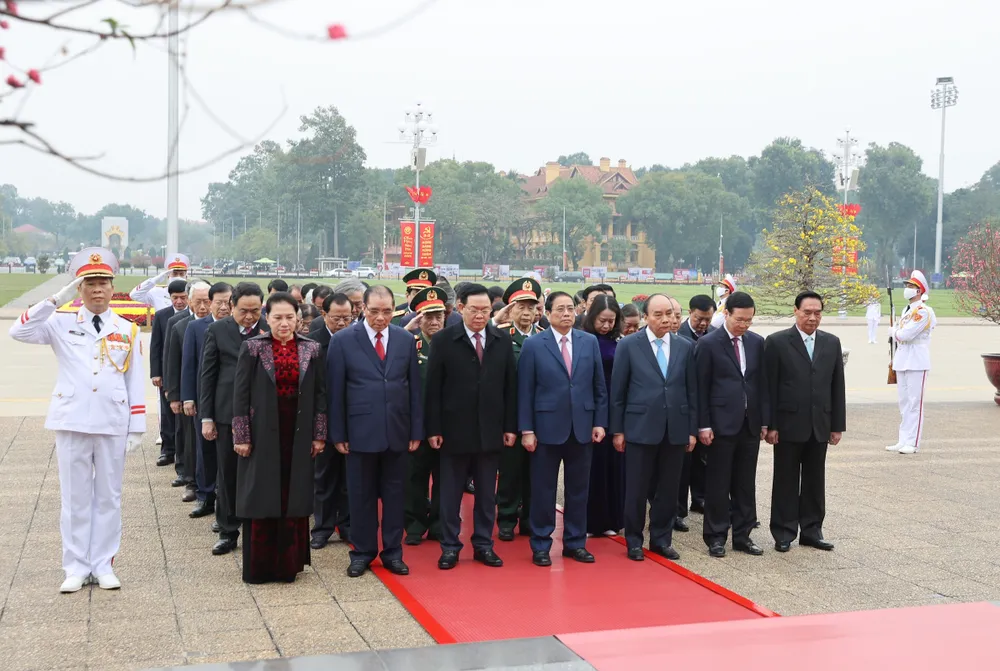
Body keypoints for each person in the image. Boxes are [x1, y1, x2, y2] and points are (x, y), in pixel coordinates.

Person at [9, 248, 144, 592]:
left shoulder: (126, 329)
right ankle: (75, 566)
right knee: (75, 497)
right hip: (71, 419)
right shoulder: (59, 322)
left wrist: (137, 425)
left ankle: (103, 564)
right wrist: (56, 299)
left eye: (103, 283)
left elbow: (134, 380)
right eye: (89, 284)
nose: (98, 290)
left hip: (112, 421)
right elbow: (18, 332)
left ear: (113, 288)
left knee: (109, 497)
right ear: (79, 289)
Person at [328, 285, 422, 578]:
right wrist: (338, 434)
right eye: (374, 311)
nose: (381, 318)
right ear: (363, 309)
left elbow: (414, 389)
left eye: (386, 311)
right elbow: (335, 392)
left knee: (395, 496)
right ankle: (363, 552)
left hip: (397, 430)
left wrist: (416, 430)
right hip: (359, 432)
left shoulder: (405, 339)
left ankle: (393, 552)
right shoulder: (344, 341)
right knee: (361, 495)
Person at [232, 292, 326, 583]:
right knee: (262, 496)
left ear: (298, 318)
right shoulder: (253, 348)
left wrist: (319, 435)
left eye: (289, 317)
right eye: (277, 317)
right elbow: (240, 394)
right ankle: (260, 567)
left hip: (297, 435)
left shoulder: (312, 348)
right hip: (261, 435)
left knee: (292, 496)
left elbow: (321, 395)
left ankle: (288, 566)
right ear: (267, 318)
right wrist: (242, 436)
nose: (284, 323)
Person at [425, 284, 517, 569]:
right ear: (461, 308)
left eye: (485, 310)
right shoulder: (443, 340)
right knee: (450, 495)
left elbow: (510, 388)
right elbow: (433, 390)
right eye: (474, 309)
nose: (480, 315)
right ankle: (450, 546)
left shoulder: (501, 339)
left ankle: (483, 545)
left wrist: (510, 426)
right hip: (453, 431)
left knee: (487, 495)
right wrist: (433, 429)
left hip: (490, 430)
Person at [518, 291, 608, 567]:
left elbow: (598, 387)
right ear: (547, 312)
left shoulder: (588, 341)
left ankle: (575, 542)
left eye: (571, 308)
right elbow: (525, 391)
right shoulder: (534, 344)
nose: (567, 314)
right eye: (560, 309)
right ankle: (541, 544)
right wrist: (526, 430)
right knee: (543, 490)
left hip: (581, 426)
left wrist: (599, 422)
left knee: (578, 490)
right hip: (545, 428)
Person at [610, 294, 697, 562]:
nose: (666, 319)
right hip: (639, 427)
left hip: (675, 428)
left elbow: (692, 391)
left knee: (669, 489)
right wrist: (618, 430)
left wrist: (691, 429)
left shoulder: (685, 346)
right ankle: (634, 540)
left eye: (670, 314)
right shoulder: (628, 346)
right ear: (645, 316)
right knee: (636, 488)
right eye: (658, 315)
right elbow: (618, 392)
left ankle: (661, 539)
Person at [763, 290, 846, 553]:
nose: (812, 317)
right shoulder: (776, 342)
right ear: (796, 311)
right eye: (807, 312)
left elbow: (837, 387)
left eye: (817, 313)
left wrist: (837, 425)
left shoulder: (831, 343)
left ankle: (812, 530)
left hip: (819, 423)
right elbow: (770, 386)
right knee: (786, 480)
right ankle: (784, 532)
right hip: (787, 425)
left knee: (814, 480)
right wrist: (771, 424)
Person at [694, 291, 769, 558]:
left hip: (749, 425)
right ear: (726, 314)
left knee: (745, 483)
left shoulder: (756, 343)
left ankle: (743, 535)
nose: (745, 325)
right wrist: (703, 425)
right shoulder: (708, 344)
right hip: (719, 426)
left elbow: (761, 385)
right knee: (718, 483)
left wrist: (764, 421)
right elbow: (700, 389)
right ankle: (716, 537)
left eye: (749, 320)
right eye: (740, 319)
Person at [200, 282, 268, 556]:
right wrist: (207, 417)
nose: (250, 317)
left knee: (258, 475)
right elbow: (208, 376)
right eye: (244, 311)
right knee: (227, 474)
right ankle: (228, 531)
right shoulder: (218, 330)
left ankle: (258, 529)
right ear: (231, 307)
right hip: (227, 413)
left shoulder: (270, 327)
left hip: (263, 415)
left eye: (255, 310)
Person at [494, 278, 544, 541]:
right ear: (510, 309)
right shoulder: (501, 336)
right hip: (511, 415)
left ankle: (529, 518)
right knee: (510, 471)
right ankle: (506, 517)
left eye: (531, 307)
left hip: (540, 417)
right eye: (520, 307)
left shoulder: (544, 337)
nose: (526, 313)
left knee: (536, 472)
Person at [181, 281, 232, 519]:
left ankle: (227, 498)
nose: (224, 307)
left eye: (228, 302)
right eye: (219, 302)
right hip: (204, 399)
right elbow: (189, 365)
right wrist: (188, 397)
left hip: (232, 402)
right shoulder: (196, 327)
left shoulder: (242, 327)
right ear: (210, 303)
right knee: (205, 450)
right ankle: (206, 496)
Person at [309, 293, 354, 549]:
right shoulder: (313, 343)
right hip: (322, 419)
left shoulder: (357, 340)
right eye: (336, 317)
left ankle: (347, 525)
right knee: (324, 477)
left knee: (350, 476)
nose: (342, 323)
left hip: (351, 418)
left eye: (347, 317)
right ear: (324, 314)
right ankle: (323, 527)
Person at [403, 287, 447, 546]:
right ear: (419, 319)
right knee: (414, 478)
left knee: (445, 478)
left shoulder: (453, 345)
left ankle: (440, 524)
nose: (433, 322)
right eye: (428, 317)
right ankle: (415, 524)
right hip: (416, 424)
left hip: (446, 425)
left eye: (438, 316)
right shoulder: (410, 345)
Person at [582, 294, 625, 537]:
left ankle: (612, 519)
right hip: (592, 406)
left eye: (611, 321)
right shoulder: (584, 340)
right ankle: (591, 521)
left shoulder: (619, 341)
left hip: (615, 406)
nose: (607, 325)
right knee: (593, 466)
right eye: (602, 320)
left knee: (614, 464)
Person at [166, 282, 211, 504]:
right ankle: (192, 481)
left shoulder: (219, 325)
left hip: (210, 393)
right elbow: (173, 363)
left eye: (207, 301)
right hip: (189, 393)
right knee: (190, 439)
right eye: (198, 302)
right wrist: (175, 395)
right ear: (190, 302)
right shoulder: (179, 325)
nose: (203, 306)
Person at [676, 293, 717, 526]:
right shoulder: (678, 336)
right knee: (684, 463)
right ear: (690, 313)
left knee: (704, 459)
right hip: (686, 403)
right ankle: (679, 510)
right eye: (699, 318)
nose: (703, 323)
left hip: (708, 406)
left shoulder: (713, 336)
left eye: (708, 319)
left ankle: (699, 498)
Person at [888, 271, 937, 455]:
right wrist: (897, 333)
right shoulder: (906, 310)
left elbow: (905, 334)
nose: (907, 289)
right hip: (903, 358)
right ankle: (903, 439)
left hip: (917, 359)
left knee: (915, 403)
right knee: (904, 402)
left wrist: (894, 332)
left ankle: (913, 442)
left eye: (910, 286)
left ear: (919, 291)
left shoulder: (923, 311)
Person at [149, 279, 188, 466]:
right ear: (169, 298)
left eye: (183, 297)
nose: (179, 302)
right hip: (166, 373)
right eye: (175, 298)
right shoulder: (161, 316)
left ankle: (183, 452)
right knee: (167, 413)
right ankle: (168, 450)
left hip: (186, 372)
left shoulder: (194, 316)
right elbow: (155, 346)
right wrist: (155, 373)